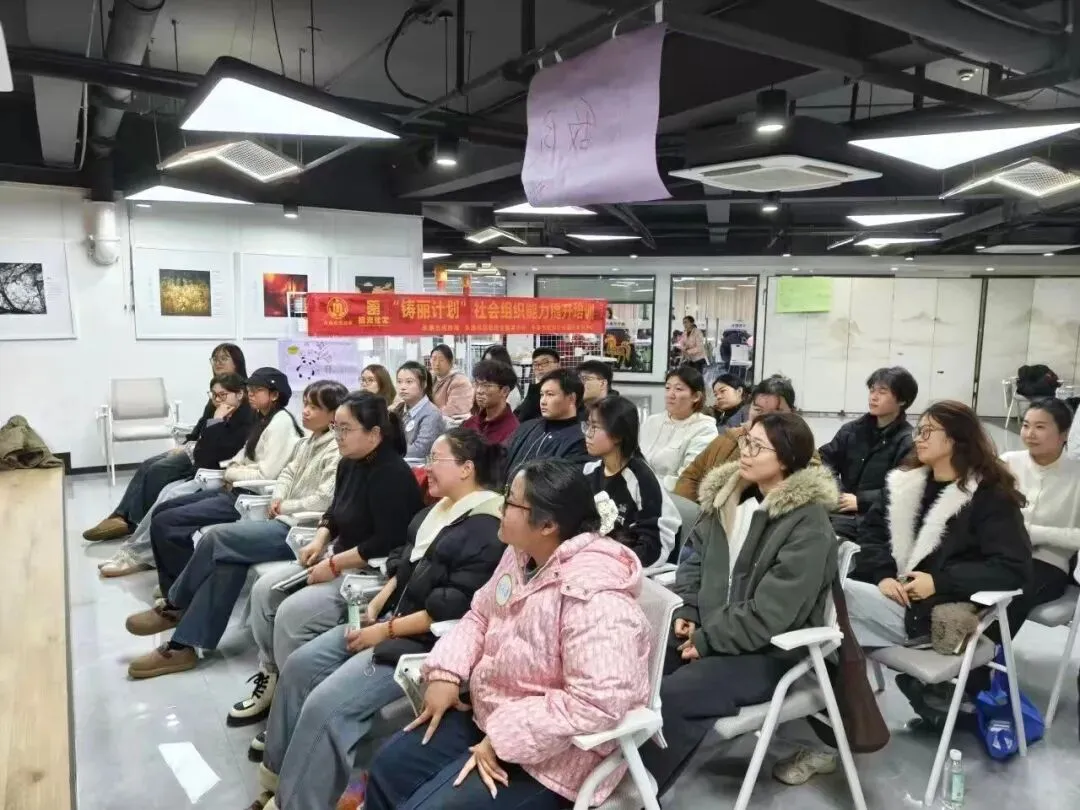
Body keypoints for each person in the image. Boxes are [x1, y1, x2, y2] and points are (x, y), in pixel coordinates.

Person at [362, 459, 651, 810]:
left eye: (511, 502)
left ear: (547, 525)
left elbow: (598, 702)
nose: (500, 507)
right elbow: (481, 614)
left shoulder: (596, 597)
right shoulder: (522, 554)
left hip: (556, 755)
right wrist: (446, 673)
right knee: (389, 769)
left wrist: (504, 736)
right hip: (490, 712)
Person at [254, 429, 507, 810]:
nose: (427, 468)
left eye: (436, 460)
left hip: (420, 643)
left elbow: (450, 611)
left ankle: (295, 802)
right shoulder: (437, 512)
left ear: (466, 468)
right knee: (299, 666)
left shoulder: (487, 530)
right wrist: (378, 605)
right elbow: (405, 567)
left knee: (326, 706)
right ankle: (277, 775)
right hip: (389, 619)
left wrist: (384, 630)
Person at [640, 412, 840, 796]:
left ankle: (634, 793)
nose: (744, 452)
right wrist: (689, 610)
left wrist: (708, 639)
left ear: (786, 459)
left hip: (769, 652)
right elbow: (694, 561)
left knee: (674, 696)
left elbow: (773, 615)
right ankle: (594, 776)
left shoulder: (808, 525)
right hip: (711, 631)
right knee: (638, 667)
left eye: (757, 447)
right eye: (746, 441)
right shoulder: (728, 498)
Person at [122, 381, 348, 679]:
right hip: (280, 520)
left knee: (217, 537)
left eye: (314, 407)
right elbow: (287, 473)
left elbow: (323, 499)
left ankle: (176, 604)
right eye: (305, 403)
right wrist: (279, 496)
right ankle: (183, 646)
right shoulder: (307, 442)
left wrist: (286, 505)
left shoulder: (336, 449)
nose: (305, 411)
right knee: (228, 561)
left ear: (334, 414)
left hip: (300, 533)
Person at [228, 392, 424, 730]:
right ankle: (273, 679)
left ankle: (296, 708)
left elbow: (388, 541)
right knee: (264, 591)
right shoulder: (349, 463)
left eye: (346, 429)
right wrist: (320, 539)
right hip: (337, 558)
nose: (338, 436)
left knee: (291, 615)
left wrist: (333, 565)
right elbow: (335, 511)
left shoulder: (392, 474)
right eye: (336, 428)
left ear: (374, 434)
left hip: (367, 573)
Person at [845, 401, 1031, 727]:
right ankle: (844, 716)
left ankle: (837, 717)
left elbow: (1013, 567)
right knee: (827, 612)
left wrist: (939, 582)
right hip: (893, 596)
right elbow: (872, 534)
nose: (918, 438)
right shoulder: (904, 484)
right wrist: (883, 575)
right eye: (919, 430)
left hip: (931, 611)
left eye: (928, 431)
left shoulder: (989, 497)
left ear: (956, 438)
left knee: (831, 605)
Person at [139, 368, 304, 594]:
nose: (250, 394)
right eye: (249, 389)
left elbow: (265, 474)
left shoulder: (280, 424)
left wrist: (232, 473)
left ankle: (180, 592)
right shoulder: (262, 418)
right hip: (235, 490)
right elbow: (239, 457)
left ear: (274, 395)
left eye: (257, 390)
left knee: (168, 522)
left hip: (249, 499)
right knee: (162, 510)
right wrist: (235, 468)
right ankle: (179, 584)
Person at [82, 344, 250, 542]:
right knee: (147, 464)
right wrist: (186, 444)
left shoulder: (243, 397)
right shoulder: (218, 391)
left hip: (210, 455)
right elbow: (201, 426)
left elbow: (224, 441)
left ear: (237, 362)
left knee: (158, 469)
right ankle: (120, 515)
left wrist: (203, 437)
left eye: (224, 358)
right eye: (215, 358)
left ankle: (132, 521)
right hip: (198, 447)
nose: (218, 363)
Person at [97, 372, 255, 577]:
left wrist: (215, 424)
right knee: (164, 491)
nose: (217, 400)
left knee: (171, 495)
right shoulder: (221, 413)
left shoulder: (246, 421)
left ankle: (140, 555)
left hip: (219, 479)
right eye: (214, 395)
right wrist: (213, 425)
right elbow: (202, 451)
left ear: (240, 394)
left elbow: (217, 455)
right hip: (204, 472)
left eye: (222, 395)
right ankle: (132, 550)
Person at [997, 400, 1080, 648]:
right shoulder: (1007, 462)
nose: (1029, 434)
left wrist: (1035, 534)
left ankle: (981, 661)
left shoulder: (1076, 475)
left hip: (1048, 562)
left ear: (1064, 434)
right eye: (1025, 425)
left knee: (1012, 594)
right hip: (1000, 552)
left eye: (1040, 427)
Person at [819, 366, 918, 540]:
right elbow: (823, 460)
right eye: (872, 390)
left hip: (878, 522)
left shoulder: (908, 441)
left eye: (882, 392)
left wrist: (862, 501)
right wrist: (836, 490)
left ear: (902, 400)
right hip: (840, 513)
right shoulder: (851, 430)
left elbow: (905, 488)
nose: (874, 397)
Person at [582, 395, 680, 569]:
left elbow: (653, 545)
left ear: (617, 435)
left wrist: (616, 567)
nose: (587, 434)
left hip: (633, 567)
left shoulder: (642, 479)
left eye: (595, 427)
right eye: (587, 425)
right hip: (597, 559)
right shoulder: (590, 472)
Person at [675, 375, 796, 502]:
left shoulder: (797, 447)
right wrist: (689, 509)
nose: (765, 418)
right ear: (749, 408)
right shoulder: (728, 439)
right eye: (758, 410)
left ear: (792, 413)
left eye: (776, 412)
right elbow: (691, 476)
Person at [504, 369, 589, 482]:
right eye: (541, 395)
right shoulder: (527, 427)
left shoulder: (580, 440)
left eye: (550, 394)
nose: (543, 401)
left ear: (571, 398)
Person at [640, 366, 718, 491]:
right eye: (667, 388)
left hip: (670, 495)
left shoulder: (705, 429)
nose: (670, 394)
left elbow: (687, 478)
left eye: (678, 389)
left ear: (696, 396)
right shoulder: (652, 421)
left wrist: (643, 485)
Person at [395, 360, 444, 460]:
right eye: (399, 382)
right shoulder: (398, 409)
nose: (402, 387)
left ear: (424, 384)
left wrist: (390, 453)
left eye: (409, 382)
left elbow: (420, 450)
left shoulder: (432, 414)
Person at [463, 359, 520, 446]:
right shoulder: (470, 423)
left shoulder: (512, 432)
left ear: (505, 391)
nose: (479, 391)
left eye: (486, 386)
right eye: (477, 384)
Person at [514, 347, 560, 423]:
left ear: (557, 365)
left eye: (545, 363)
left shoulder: (564, 389)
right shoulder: (534, 390)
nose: (539, 368)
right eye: (535, 364)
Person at [430, 344, 475, 421]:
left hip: (454, 424)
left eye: (441, 360)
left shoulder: (460, 381)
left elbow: (454, 409)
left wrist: (428, 415)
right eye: (434, 359)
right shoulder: (430, 379)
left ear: (450, 362)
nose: (437, 364)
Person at [481, 344, 523, 411]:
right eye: (485, 362)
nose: (486, 366)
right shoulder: (486, 383)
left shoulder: (511, 391)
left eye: (491, 363)